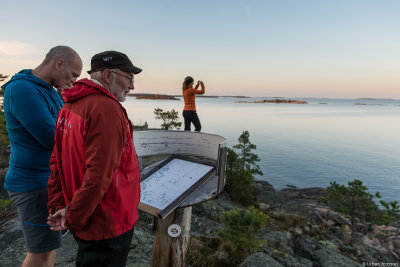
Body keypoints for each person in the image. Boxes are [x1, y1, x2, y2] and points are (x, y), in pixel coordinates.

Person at [47, 51, 142, 267]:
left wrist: (59, 205)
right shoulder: (106, 109)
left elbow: (56, 161)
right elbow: (99, 175)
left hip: (85, 215)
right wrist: (71, 216)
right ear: (109, 75)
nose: (132, 86)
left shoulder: (70, 105)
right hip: (108, 221)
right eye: (129, 78)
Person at [2, 45, 82, 267]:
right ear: (59, 64)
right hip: (33, 184)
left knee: (49, 248)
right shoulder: (22, 89)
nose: (74, 81)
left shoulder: (49, 89)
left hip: (49, 182)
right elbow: (53, 137)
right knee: (40, 252)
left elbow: (70, 126)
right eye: (73, 75)